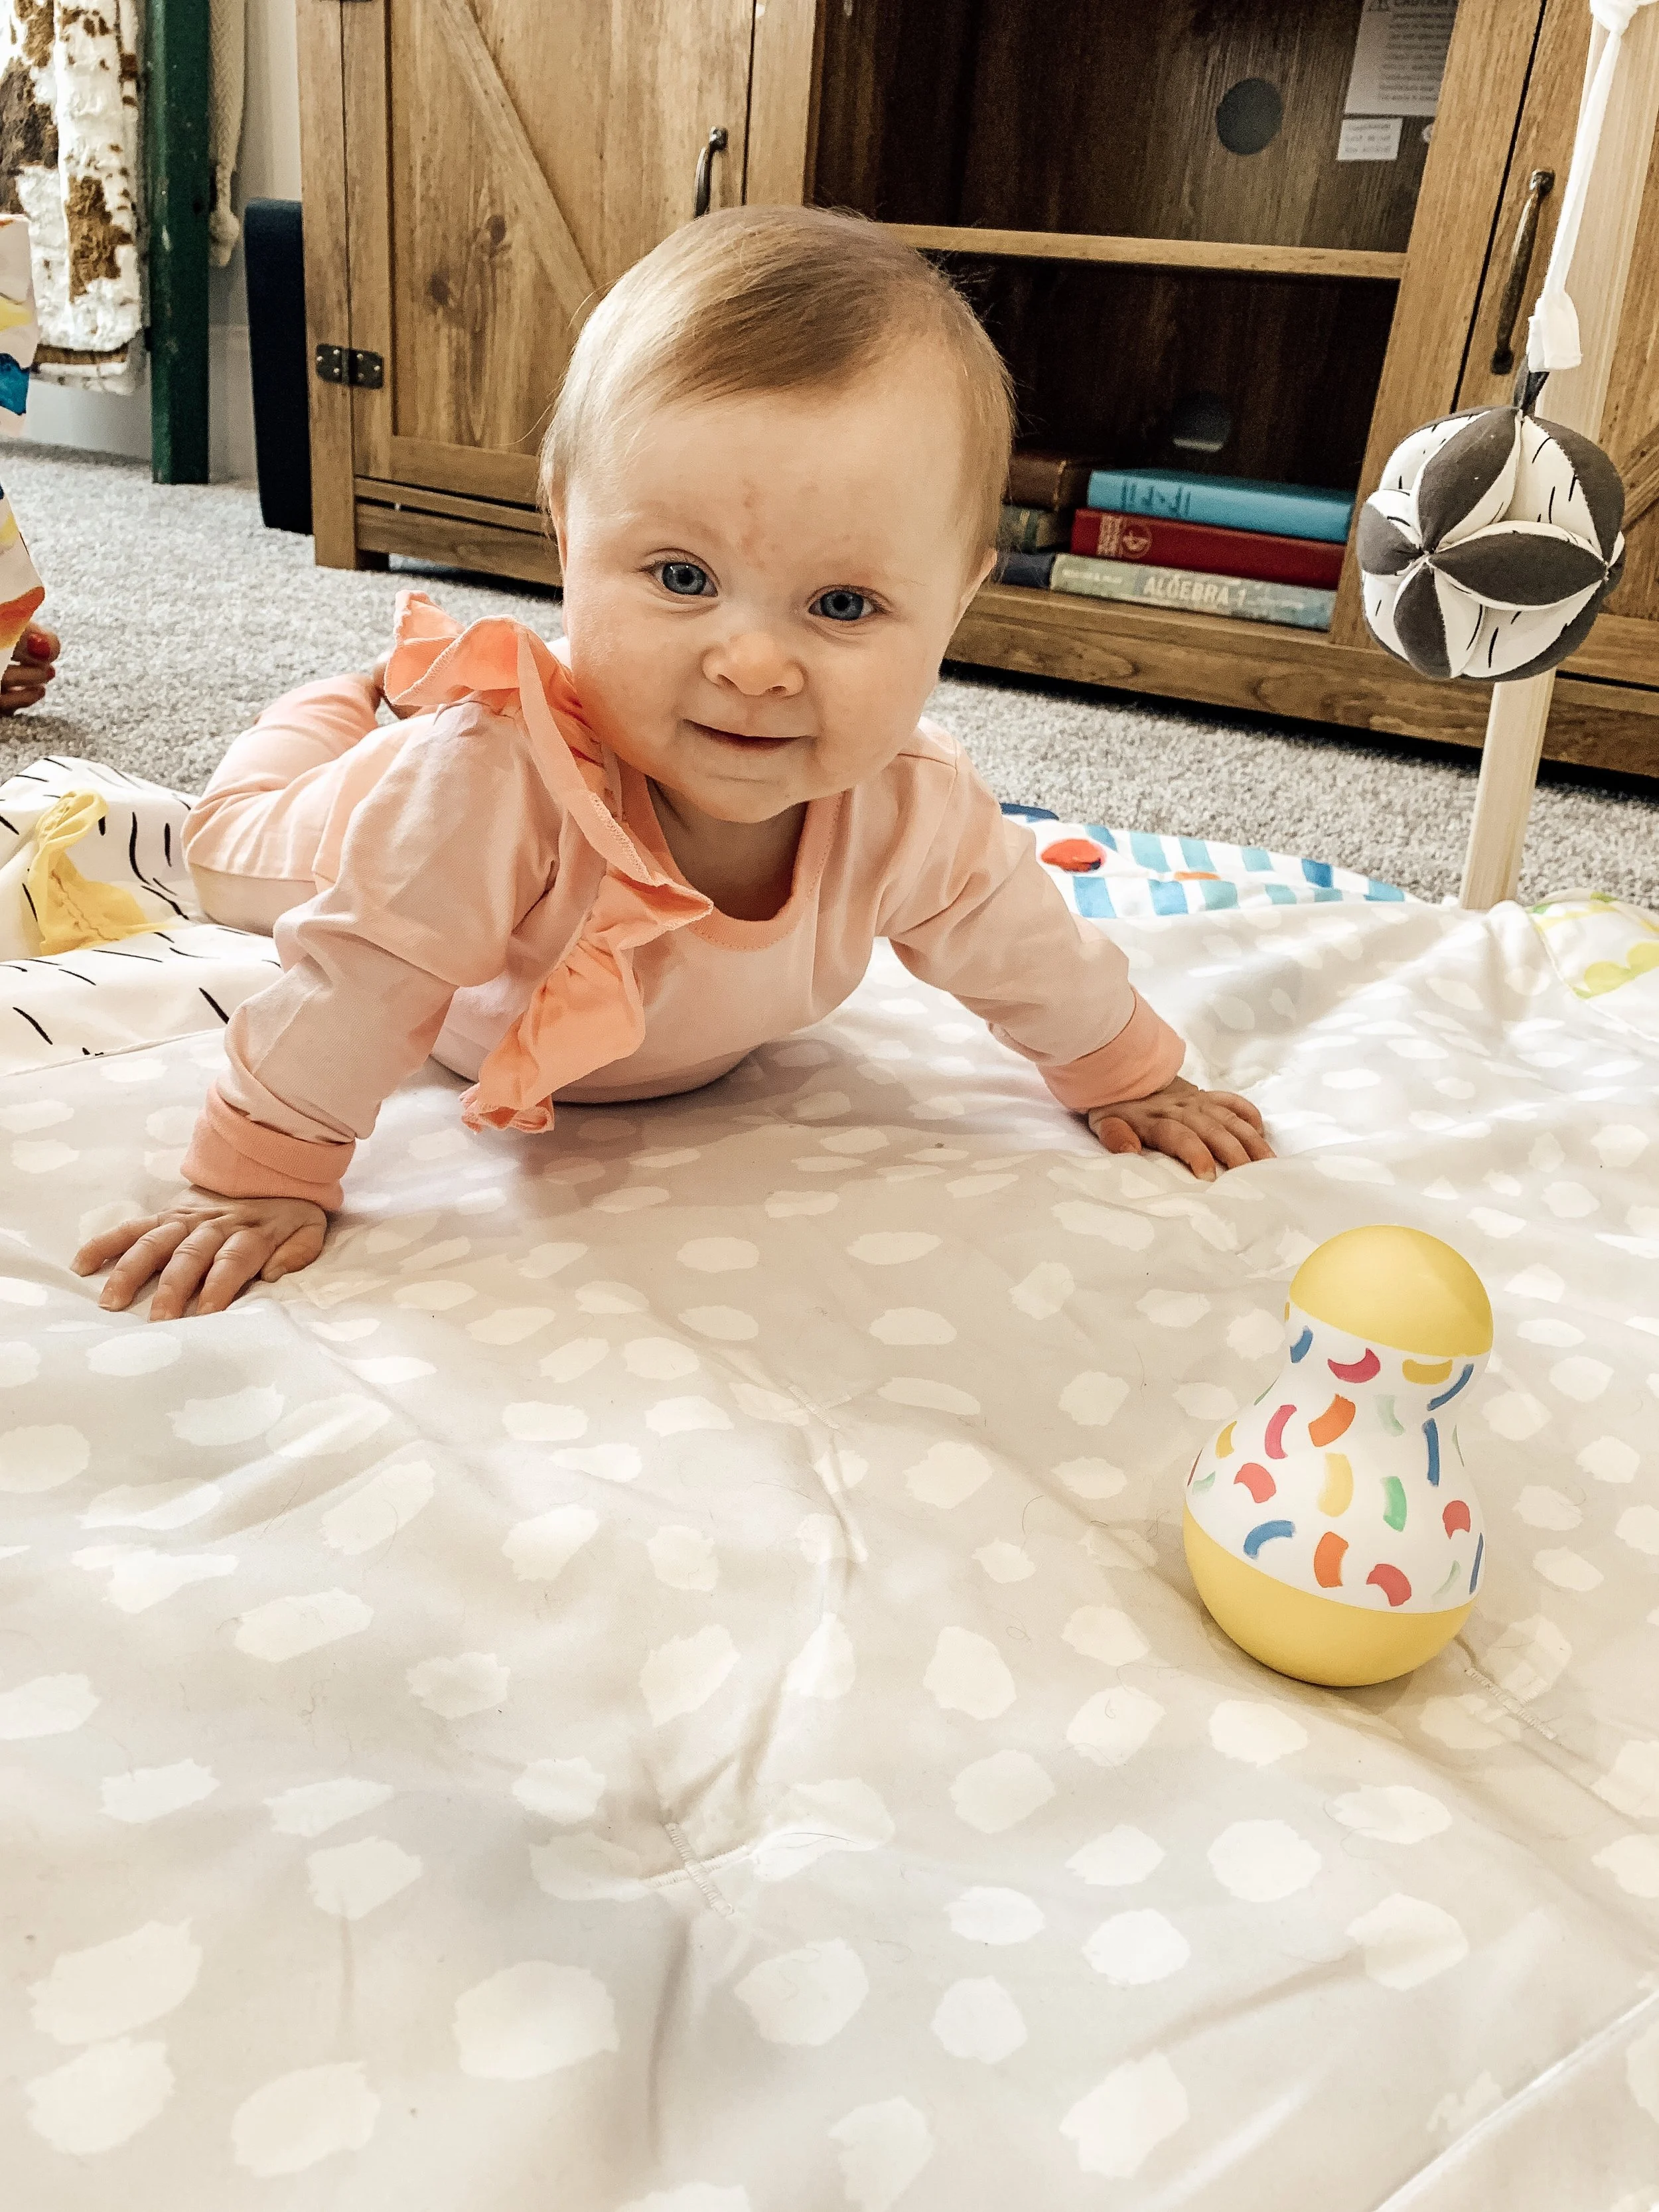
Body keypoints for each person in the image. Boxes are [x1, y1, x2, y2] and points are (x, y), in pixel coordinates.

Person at [74, 206, 1271, 1321]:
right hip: (372, 828)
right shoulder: (485, 785)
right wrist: (261, 1174)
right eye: (683, 578)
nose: (752, 666)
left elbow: (1033, 957)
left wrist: (1130, 1075)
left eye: (843, 604)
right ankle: (345, 700)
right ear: (568, 536)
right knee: (222, 848)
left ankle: (408, 684)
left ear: (956, 601)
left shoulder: (914, 806)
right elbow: (355, 983)